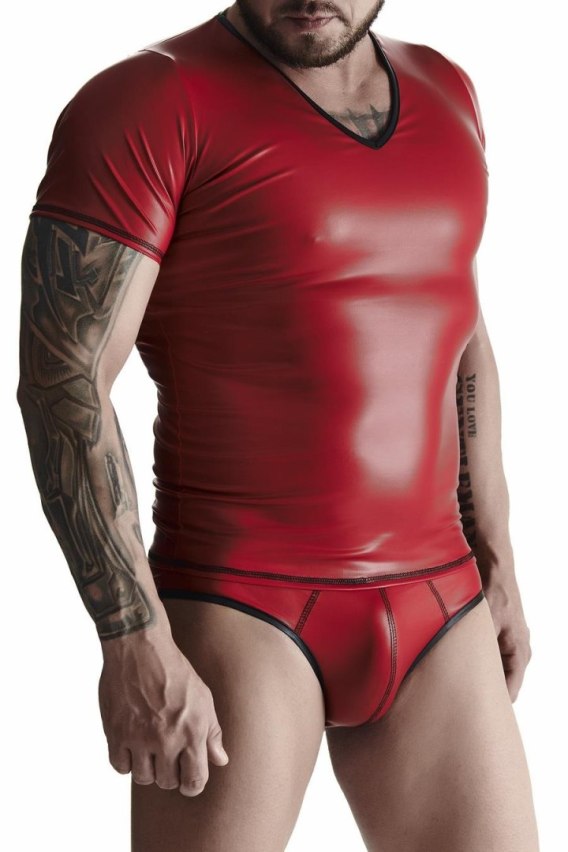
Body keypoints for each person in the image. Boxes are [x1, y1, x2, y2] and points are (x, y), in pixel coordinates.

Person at [17, 1, 540, 849]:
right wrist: (131, 636)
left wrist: (500, 560)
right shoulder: (149, 101)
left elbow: (460, 332)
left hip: (439, 603)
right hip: (243, 607)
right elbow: (63, 380)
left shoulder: (450, 90)